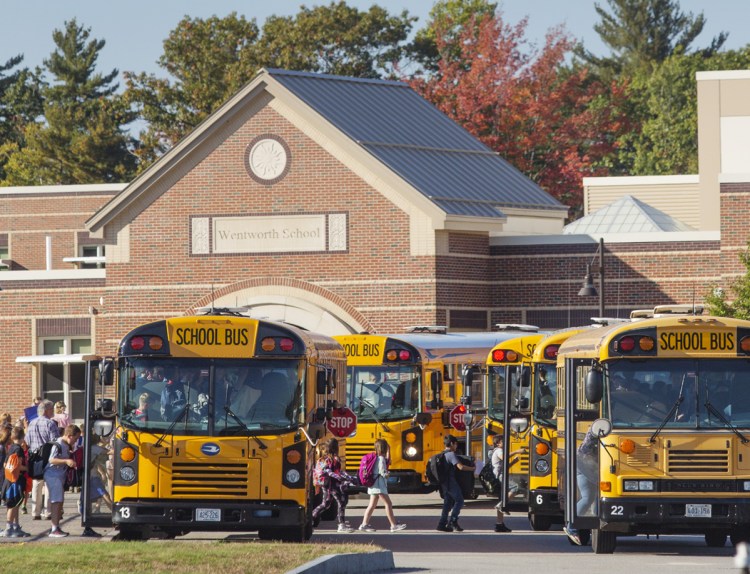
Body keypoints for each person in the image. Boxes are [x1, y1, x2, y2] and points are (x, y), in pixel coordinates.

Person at [358, 439, 406, 533]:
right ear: (384, 448)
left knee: (371, 505)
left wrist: (389, 451)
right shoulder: (381, 459)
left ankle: (364, 524)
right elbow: (382, 471)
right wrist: (387, 474)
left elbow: (386, 462)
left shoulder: (375, 457)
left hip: (373, 485)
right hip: (379, 486)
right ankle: (393, 525)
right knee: (388, 504)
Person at [564, 425, 599, 546]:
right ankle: (572, 527)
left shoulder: (599, 425)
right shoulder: (600, 426)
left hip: (584, 465)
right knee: (589, 497)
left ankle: (595, 525)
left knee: (592, 497)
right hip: (586, 466)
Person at [311, 438, 355, 533]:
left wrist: (348, 477)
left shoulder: (324, 459)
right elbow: (332, 472)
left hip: (326, 485)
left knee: (325, 504)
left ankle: (311, 517)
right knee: (341, 503)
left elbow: (334, 472)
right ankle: (341, 525)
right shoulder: (334, 459)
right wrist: (342, 477)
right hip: (333, 485)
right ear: (335, 448)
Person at [44, 423, 81, 537]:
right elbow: (51, 460)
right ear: (70, 435)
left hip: (59, 476)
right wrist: (66, 461)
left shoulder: (65, 444)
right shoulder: (59, 443)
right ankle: (54, 528)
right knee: (56, 501)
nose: (76, 441)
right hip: (53, 475)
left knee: (59, 501)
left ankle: (56, 526)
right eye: (75, 438)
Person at [26, 399, 59, 520]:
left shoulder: (31, 423)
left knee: (36, 483)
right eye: (51, 409)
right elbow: (55, 441)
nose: (53, 412)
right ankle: (48, 511)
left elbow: (27, 440)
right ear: (47, 410)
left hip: (35, 457)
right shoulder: (50, 424)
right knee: (49, 484)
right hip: (48, 456)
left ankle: (35, 512)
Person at [436, 434, 475, 533]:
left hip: (444, 483)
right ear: (452, 443)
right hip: (451, 482)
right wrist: (473, 469)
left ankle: (441, 524)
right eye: (456, 444)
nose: (456, 446)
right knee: (460, 500)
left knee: (447, 503)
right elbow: (460, 467)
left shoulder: (442, 454)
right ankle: (453, 521)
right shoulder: (451, 454)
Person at [489, 434, 525, 533]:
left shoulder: (497, 451)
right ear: (498, 443)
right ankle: (501, 505)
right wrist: (517, 451)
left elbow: (503, 466)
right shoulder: (499, 451)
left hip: (499, 476)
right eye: (503, 441)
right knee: (516, 487)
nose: (505, 443)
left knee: (502, 499)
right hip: (500, 477)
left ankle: (499, 524)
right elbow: (503, 457)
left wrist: (513, 462)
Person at [1, 426, 30, 537]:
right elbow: (17, 465)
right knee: (13, 504)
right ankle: (9, 527)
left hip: (8, 479)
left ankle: (15, 526)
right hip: (16, 480)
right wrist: (27, 468)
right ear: (23, 436)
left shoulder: (11, 447)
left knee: (15, 504)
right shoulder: (19, 450)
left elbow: (5, 464)